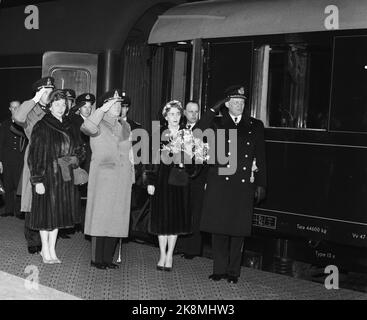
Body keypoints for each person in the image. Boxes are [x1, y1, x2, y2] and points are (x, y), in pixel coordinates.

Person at [195, 85, 267, 284]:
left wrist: (261, 184)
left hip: (242, 185)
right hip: (220, 182)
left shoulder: (255, 125)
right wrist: (212, 109)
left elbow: (260, 156)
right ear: (226, 104)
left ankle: (233, 272)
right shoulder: (217, 123)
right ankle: (219, 269)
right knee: (218, 229)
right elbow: (197, 131)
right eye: (235, 102)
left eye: (242, 102)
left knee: (238, 230)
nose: (239, 105)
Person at [28, 89, 84, 263]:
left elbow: (81, 150)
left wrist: (73, 159)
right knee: (46, 216)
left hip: (65, 176)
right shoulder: (42, 125)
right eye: (57, 104)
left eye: (63, 104)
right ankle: (45, 250)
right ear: (50, 106)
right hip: (46, 177)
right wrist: (37, 180)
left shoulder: (71, 125)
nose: (60, 108)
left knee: (57, 216)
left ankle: (52, 249)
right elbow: (34, 155)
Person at [81, 89, 134, 270]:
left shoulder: (125, 127)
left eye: (120, 104)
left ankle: (108, 258)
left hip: (122, 177)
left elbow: (129, 153)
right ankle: (97, 258)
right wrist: (101, 110)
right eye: (114, 103)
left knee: (116, 218)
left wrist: (131, 176)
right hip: (103, 177)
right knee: (101, 217)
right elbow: (86, 128)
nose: (118, 106)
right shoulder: (98, 123)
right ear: (106, 105)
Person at [146, 100, 192, 271]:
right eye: (171, 114)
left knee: (174, 219)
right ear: (165, 116)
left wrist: (186, 162)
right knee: (161, 219)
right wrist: (150, 182)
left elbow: (195, 160)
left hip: (179, 181)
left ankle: (170, 254)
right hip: (161, 180)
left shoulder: (187, 134)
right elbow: (150, 160)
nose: (175, 117)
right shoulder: (157, 134)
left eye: (178, 114)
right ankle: (162, 255)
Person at [13, 76, 55, 254]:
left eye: (50, 92)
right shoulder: (30, 109)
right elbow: (18, 117)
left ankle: (47, 240)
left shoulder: (53, 109)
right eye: (45, 92)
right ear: (38, 92)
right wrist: (35, 99)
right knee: (32, 202)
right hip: (36, 157)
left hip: (52, 159)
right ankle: (33, 241)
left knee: (49, 201)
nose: (48, 95)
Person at [176, 101, 207, 259]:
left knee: (195, 213)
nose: (194, 114)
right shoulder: (179, 130)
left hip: (198, 178)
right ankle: (180, 246)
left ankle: (193, 250)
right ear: (185, 113)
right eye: (190, 111)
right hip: (182, 178)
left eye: (196, 111)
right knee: (182, 210)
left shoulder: (205, 131)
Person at [68, 93, 95, 232]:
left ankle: (85, 223)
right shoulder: (73, 120)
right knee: (75, 192)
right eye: (84, 106)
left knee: (89, 193)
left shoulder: (94, 121)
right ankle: (73, 222)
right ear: (79, 108)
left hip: (90, 160)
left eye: (90, 107)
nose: (87, 109)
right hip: (77, 161)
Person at [0, 101, 27, 217]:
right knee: (8, 184)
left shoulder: (25, 123)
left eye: (18, 107)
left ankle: (20, 211)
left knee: (20, 186)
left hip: (21, 159)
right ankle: (9, 210)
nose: (15, 109)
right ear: (10, 109)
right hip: (7, 160)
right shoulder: (5, 124)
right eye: (13, 107)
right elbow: (1, 143)